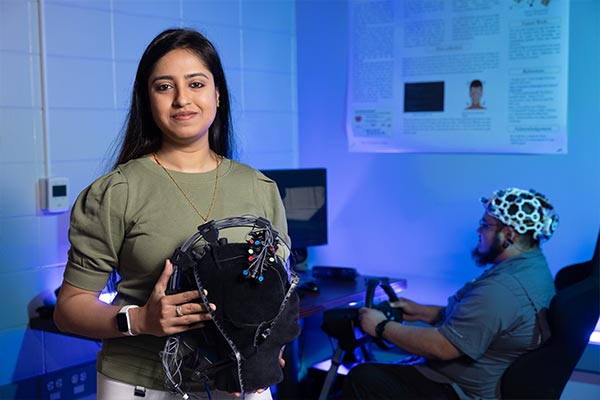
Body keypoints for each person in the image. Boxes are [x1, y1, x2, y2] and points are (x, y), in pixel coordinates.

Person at [53, 28, 296, 400]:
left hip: (243, 388)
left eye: (196, 84)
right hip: (142, 386)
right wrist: (140, 320)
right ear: (147, 100)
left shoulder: (259, 188)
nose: (183, 99)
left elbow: (275, 293)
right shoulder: (117, 192)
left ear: (217, 94)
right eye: (164, 87)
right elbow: (68, 310)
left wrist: (265, 353)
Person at [342, 188, 559, 400]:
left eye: (485, 225)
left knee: (363, 377)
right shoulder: (531, 268)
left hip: (457, 390)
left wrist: (381, 327)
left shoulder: (502, 288)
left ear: (508, 234)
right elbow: (480, 322)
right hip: (455, 380)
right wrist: (421, 312)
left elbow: (443, 347)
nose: (479, 232)